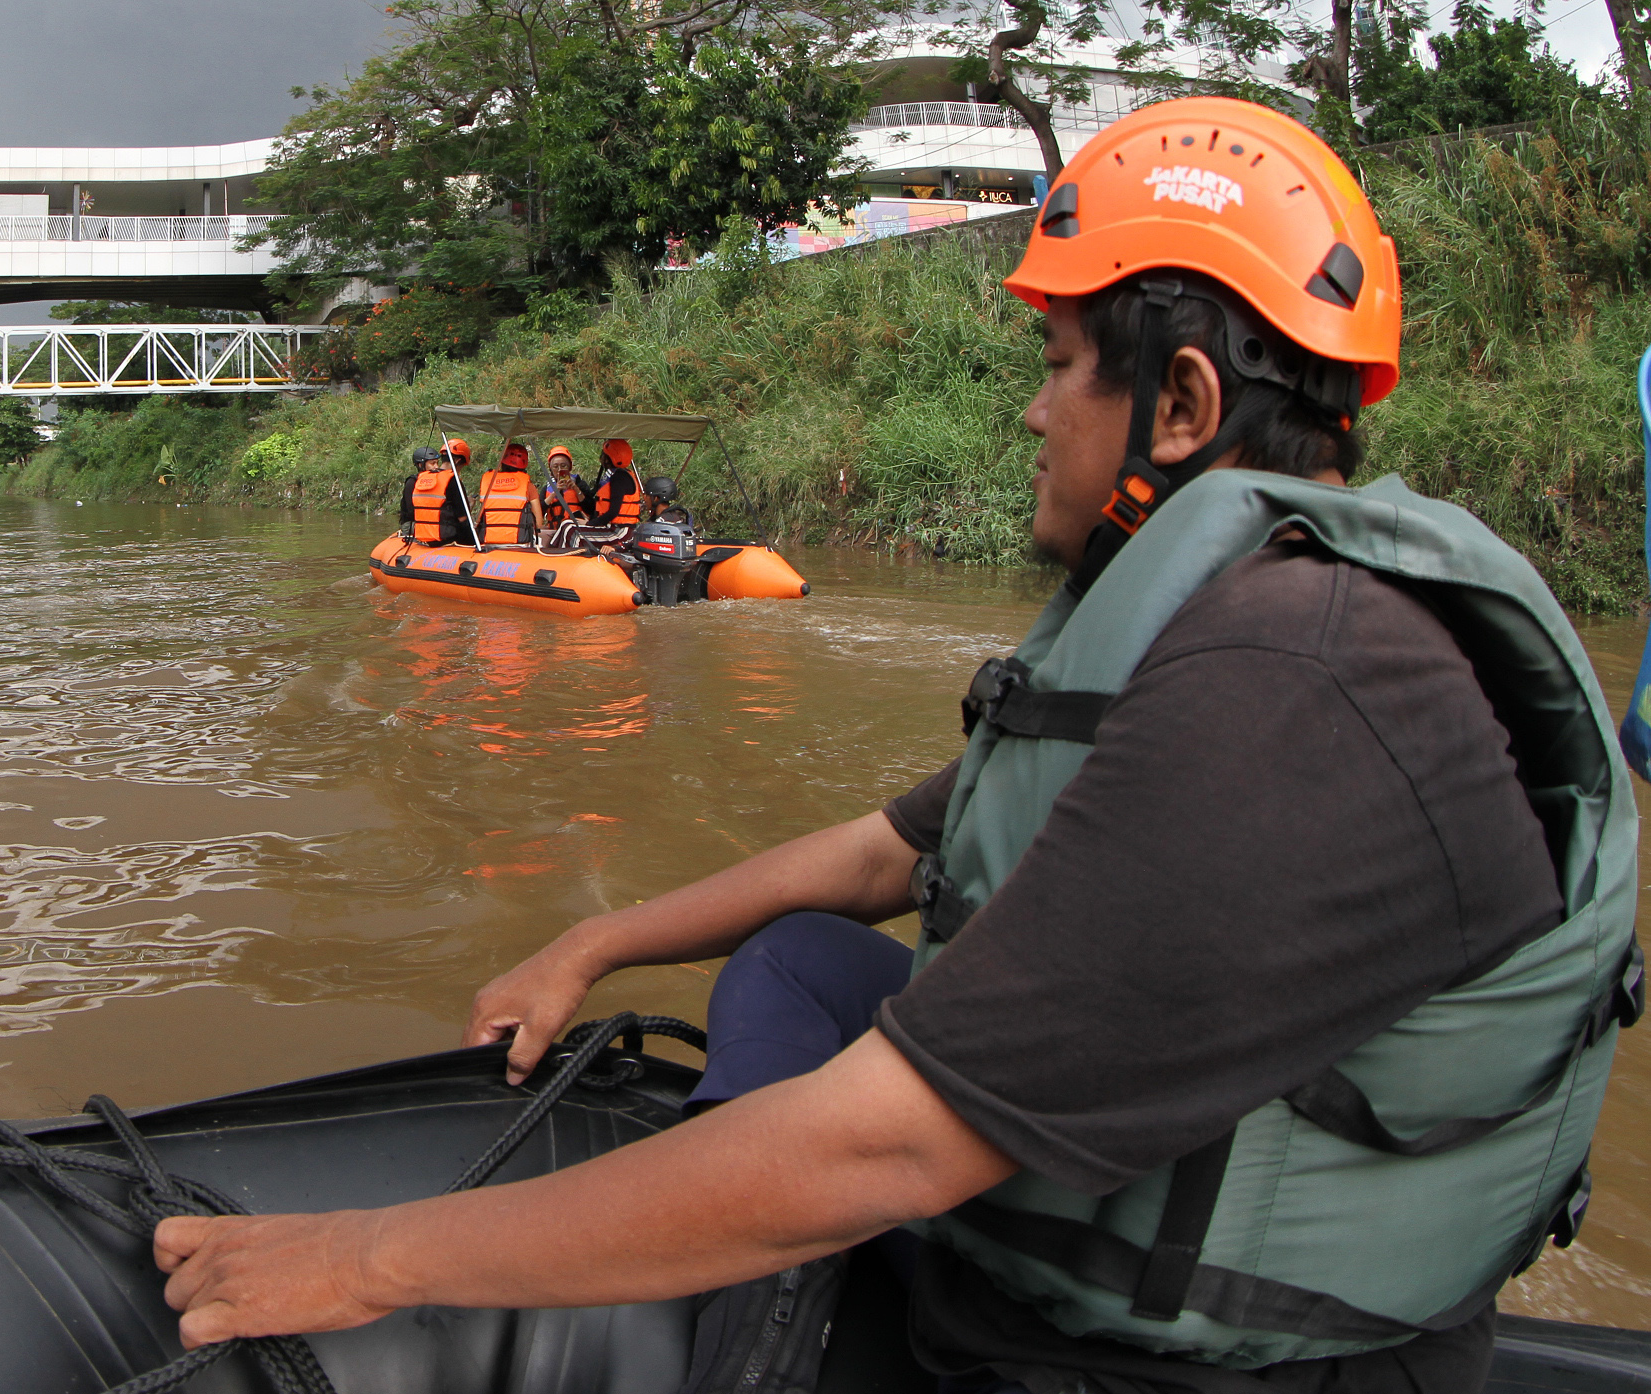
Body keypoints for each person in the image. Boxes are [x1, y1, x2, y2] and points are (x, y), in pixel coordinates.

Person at [152, 97, 1638, 1394]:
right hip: (1142, 1171)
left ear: (1178, 403)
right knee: (802, 955)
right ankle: (758, 1278)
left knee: (837, 1141)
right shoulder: (1210, 616)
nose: (1033, 412)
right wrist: (591, 941)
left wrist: (368, 1259)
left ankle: (744, 1318)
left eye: (1059, 364)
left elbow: (893, 1147)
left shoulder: (1297, 683)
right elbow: (879, 853)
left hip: (1179, 1368)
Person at [400, 440, 475, 546]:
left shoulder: (422, 478)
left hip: (424, 533)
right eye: (432, 463)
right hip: (445, 536)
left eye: (436, 462)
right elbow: (462, 518)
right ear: (458, 461)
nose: (435, 466)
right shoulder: (452, 480)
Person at [477, 442, 542, 545]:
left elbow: (479, 517)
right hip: (519, 544)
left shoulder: (488, 481)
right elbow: (538, 523)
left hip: (487, 543)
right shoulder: (528, 486)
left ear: (502, 461)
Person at [582, 439, 643, 528]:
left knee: (572, 531)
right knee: (568, 526)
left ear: (608, 459)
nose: (601, 458)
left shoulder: (619, 478)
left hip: (620, 530)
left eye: (603, 455)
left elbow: (613, 512)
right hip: (613, 526)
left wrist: (590, 524)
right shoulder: (621, 475)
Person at [540, 446, 587, 525]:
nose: (559, 470)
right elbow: (539, 511)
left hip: (576, 529)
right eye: (555, 466)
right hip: (554, 531)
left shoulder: (580, 484)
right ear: (550, 468)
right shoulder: (546, 489)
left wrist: (576, 489)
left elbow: (591, 508)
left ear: (570, 467)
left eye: (563, 466)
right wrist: (555, 493)